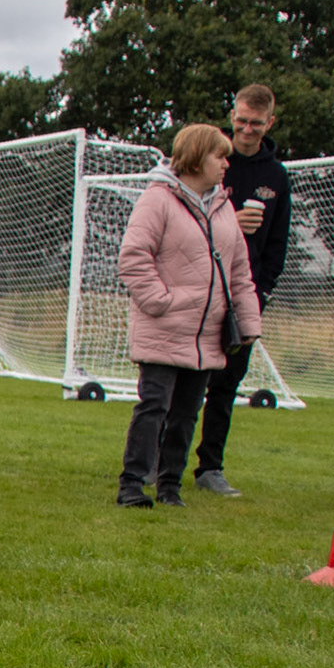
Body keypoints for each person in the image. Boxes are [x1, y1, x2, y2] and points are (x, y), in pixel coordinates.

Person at [115, 123, 261, 509]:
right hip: (165, 327)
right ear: (196, 157)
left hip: (207, 334)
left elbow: (240, 272)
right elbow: (134, 257)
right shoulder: (157, 199)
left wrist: (248, 323)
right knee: (154, 407)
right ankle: (132, 485)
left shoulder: (223, 207)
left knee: (186, 413)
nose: (226, 164)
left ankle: (170, 487)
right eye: (219, 155)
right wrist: (161, 301)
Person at [191, 83, 291, 495]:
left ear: (270, 123)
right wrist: (229, 221)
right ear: (232, 115)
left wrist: (260, 295)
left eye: (256, 124)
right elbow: (184, 221)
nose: (247, 130)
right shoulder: (212, 160)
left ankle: (210, 468)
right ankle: (161, 461)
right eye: (241, 121)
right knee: (185, 381)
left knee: (225, 386)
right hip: (199, 290)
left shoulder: (277, 176)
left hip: (243, 297)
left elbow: (277, 245)